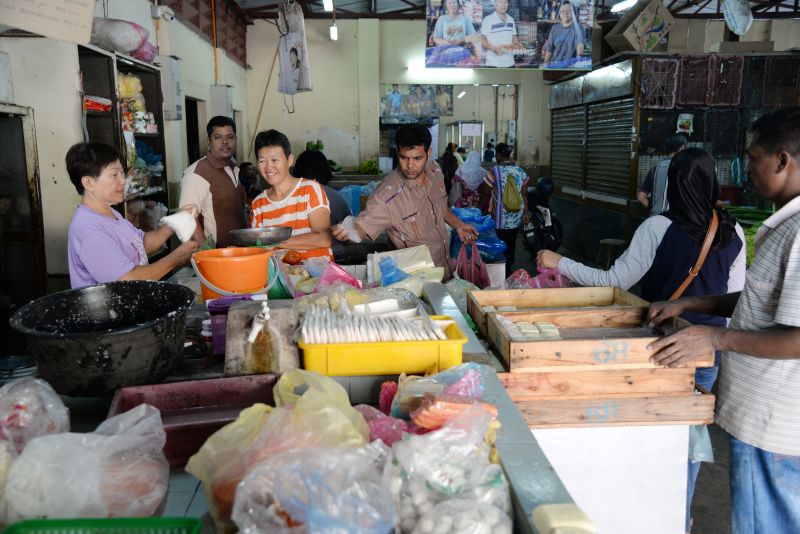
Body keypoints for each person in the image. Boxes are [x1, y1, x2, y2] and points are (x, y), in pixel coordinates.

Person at [538, 148, 747, 532]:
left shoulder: (657, 228)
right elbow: (736, 302)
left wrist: (560, 262)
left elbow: (612, 281)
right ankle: (679, 513)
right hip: (705, 355)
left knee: (650, 435)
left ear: (670, 184)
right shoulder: (733, 232)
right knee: (689, 436)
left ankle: (642, 511)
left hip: (657, 351)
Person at [647, 108, 800, 534]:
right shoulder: (785, 225)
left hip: (777, 423)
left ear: (783, 161)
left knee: (766, 523)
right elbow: (763, 300)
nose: (745, 169)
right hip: (764, 416)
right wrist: (692, 305)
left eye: (753, 158)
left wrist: (715, 339)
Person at [332, 123, 478, 278]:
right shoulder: (387, 194)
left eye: (417, 158)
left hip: (444, 268)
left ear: (428, 153)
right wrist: (348, 231)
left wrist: (459, 225)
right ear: (397, 153)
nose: (410, 166)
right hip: (415, 281)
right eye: (403, 158)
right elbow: (362, 227)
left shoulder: (435, 171)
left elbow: (440, 207)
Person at [66, 142, 198, 289]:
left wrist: (176, 222)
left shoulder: (110, 213)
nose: (123, 181)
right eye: (114, 175)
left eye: (122, 173)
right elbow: (127, 279)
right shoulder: (88, 229)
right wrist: (174, 259)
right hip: (109, 311)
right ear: (88, 183)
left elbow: (142, 244)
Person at [250, 130, 333, 261]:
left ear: (289, 160)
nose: (268, 167)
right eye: (262, 161)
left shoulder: (310, 190)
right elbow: (259, 248)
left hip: (317, 277)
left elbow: (324, 238)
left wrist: (274, 242)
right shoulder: (258, 204)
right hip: (279, 278)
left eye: (275, 160)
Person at [180, 116, 246, 248]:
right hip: (215, 258)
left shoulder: (233, 168)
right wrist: (207, 252)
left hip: (235, 254)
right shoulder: (198, 173)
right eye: (218, 137)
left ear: (236, 139)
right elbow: (186, 218)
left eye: (230, 137)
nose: (225, 142)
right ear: (209, 141)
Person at [292, 149, 351, 262]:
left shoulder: (292, 197)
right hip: (335, 257)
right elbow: (348, 237)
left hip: (299, 259)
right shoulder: (336, 197)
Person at [482, 142, 530, 274]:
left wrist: (481, 209)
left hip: (499, 218)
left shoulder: (494, 171)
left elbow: (485, 192)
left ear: (498, 155)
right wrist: (526, 213)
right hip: (515, 216)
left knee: (499, 244)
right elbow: (524, 194)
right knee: (511, 242)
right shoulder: (520, 171)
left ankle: (500, 270)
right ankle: (509, 268)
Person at [638, 134, 688, 216]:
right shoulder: (685, 169)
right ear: (682, 147)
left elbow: (641, 196)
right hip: (675, 220)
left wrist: (654, 209)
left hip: (655, 218)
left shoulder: (655, 168)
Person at [480, 0, 520, 68]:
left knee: (511, 79)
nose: (503, 5)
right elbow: (482, 39)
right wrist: (493, 49)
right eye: (500, 2)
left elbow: (514, 37)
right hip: (493, 64)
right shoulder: (488, 19)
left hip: (510, 63)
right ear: (495, 4)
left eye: (505, 2)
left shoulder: (511, 19)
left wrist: (518, 45)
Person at [542, 1, 585, 66]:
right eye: (562, 11)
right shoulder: (555, 28)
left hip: (570, 65)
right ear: (559, 13)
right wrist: (545, 65)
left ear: (574, 13)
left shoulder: (578, 27)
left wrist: (578, 61)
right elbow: (549, 50)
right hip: (555, 64)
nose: (566, 13)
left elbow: (580, 45)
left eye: (569, 11)